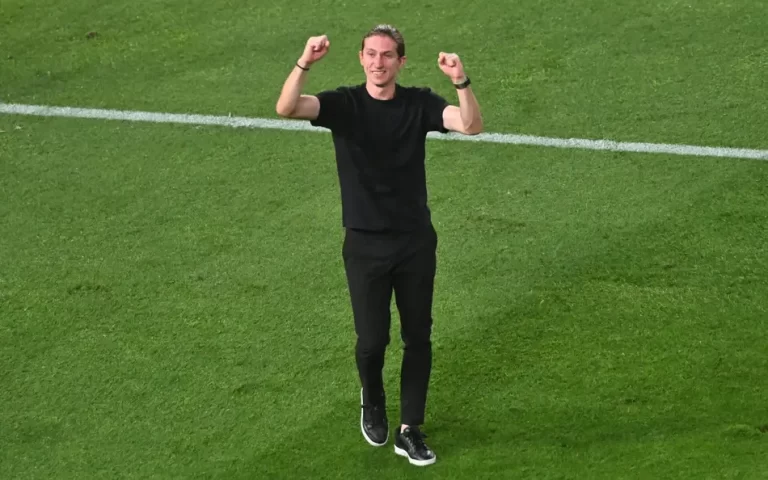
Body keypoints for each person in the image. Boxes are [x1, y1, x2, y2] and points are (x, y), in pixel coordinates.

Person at [275, 24, 483, 467]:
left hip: (414, 242)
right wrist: (304, 63)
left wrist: (460, 81)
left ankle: (410, 429)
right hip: (365, 244)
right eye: (371, 54)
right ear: (361, 58)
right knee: (372, 341)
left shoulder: (419, 103)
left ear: (401, 62)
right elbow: (286, 107)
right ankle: (371, 396)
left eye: (387, 55)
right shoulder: (344, 104)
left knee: (417, 336)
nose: (378, 62)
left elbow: (470, 125)